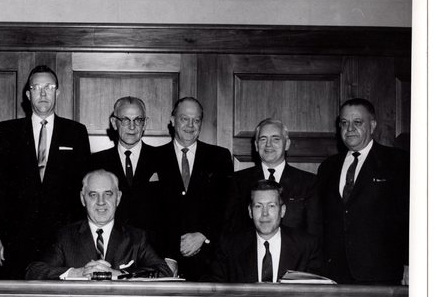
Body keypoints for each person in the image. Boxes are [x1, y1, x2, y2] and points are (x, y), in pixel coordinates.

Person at [0, 65, 91, 278]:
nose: (43, 93)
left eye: (49, 87)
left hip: (63, 240)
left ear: (57, 92)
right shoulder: (7, 131)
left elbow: (84, 187)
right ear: (28, 94)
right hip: (15, 239)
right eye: (36, 88)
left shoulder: (76, 132)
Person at [317, 98, 409, 284]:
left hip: (383, 273)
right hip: (334, 275)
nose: (350, 128)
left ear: (372, 125)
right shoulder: (328, 167)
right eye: (344, 123)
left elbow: (411, 218)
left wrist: (410, 264)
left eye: (357, 122)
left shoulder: (397, 162)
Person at [26, 170, 172, 280]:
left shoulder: (136, 238)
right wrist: (74, 273)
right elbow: (34, 271)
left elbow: (164, 271)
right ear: (83, 199)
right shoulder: (65, 236)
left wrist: (119, 274)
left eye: (108, 194)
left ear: (118, 198)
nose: (101, 202)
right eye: (93, 195)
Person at [155, 96, 233, 280]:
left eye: (196, 120)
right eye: (184, 119)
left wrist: (203, 235)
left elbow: (228, 205)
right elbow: (150, 215)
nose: (190, 125)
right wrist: (168, 255)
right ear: (173, 121)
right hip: (165, 263)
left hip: (209, 262)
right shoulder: (154, 157)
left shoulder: (219, 157)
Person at [91, 96, 168, 262]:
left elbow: (173, 211)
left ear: (145, 124)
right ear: (114, 122)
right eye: (125, 120)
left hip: (153, 255)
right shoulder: (95, 162)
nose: (132, 126)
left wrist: (171, 257)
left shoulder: (164, 159)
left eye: (138, 120)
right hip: (110, 254)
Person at [209, 179, 322, 283]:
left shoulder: (307, 246)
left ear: (282, 211)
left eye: (271, 206)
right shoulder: (229, 246)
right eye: (258, 206)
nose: (265, 214)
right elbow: (213, 287)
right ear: (250, 211)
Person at [223, 117, 321, 236]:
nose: (268, 144)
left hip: (294, 253)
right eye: (263, 139)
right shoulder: (238, 181)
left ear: (287, 144)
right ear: (256, 145)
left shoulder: (308, 183)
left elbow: (314, 233)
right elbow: (229, 231)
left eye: (275, 139)